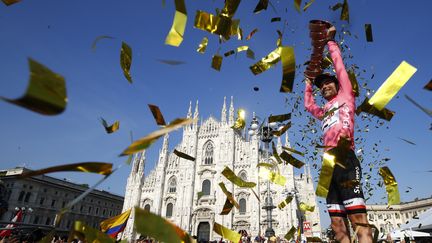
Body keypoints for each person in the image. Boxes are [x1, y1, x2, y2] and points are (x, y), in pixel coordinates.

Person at [304, 25, 373, 243]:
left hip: (345, 156)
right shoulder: (324, 110)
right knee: (336, 222)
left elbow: (340, 69)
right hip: (328, 163)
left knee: (357, 217)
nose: (323, 87)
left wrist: (330, 42)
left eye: (327, 83)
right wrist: (308, 84)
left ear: (337, 85)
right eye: (320, 86)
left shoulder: (346, 96)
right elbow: (308, 105)